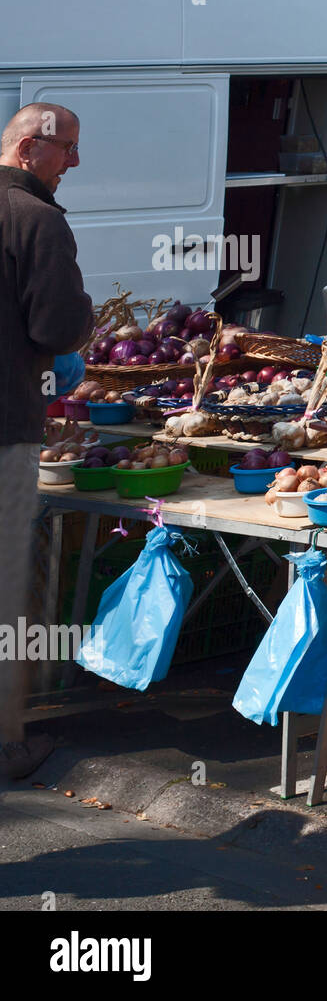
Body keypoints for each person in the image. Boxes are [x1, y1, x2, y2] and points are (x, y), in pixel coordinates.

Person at [0, 102, 94, 780]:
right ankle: (6, 742)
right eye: (69, 150)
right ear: (32, 148)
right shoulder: (36, 220)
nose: (76, 164)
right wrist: (76, 335)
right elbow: (59, 325)